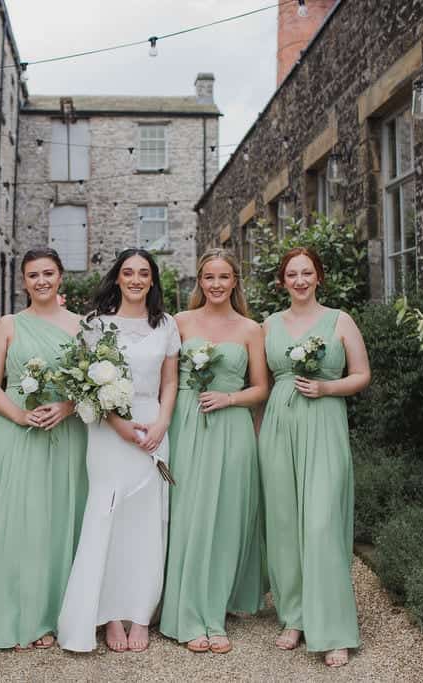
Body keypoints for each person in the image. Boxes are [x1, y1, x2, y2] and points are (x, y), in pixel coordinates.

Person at [57, 248, 179, 654]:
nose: (136, 279)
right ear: (117, 278)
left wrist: (161, 423)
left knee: (147, 523)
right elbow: (86, 383)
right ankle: (109, 615)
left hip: (153, 428)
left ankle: (141, 614)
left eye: (144, 273)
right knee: (106, 516)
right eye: (128, 272)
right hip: (109, 431)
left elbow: (170, 383)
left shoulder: (166, 325)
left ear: (152, 280)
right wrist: (119, 425)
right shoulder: (95, 325)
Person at [258, 247, 370, 668]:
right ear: (282, 280)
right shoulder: (268, 325)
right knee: (285, 524)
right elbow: (258, 384)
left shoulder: (340, 320)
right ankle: (295, 617)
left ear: (319, 277)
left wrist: (327, 388)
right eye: (292, 273)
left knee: (322, 523)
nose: (300, 280)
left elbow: (361, 375)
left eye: (307, 272)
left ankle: (335, 628)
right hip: (279, 428)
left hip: (324, 424)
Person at [0, 248, 88, 652]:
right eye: (33, 275)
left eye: (49, 273)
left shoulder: (82, 326)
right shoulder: (7, 325)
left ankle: (57, 614)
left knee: (59, 519)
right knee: (19, 521)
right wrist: (19, 417)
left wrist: (68, 406)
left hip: (66, 432)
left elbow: (89, 384)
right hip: (16, 432)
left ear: (60, 278)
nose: (41, 281)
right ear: (23, 281)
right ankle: (18, 613)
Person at [161, 249, 270, 654]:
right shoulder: (179, 322)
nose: (217, 284)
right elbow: (166, 382)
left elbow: (261, 387)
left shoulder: (251, 329)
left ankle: (215, 613)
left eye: (224, 277)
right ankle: (187, 614)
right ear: (200, 281)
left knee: (227, 516)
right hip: (187, 426)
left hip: (233, 426)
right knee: (188, 514)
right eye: (209, 277)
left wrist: (229, 399)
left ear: (235, 281)